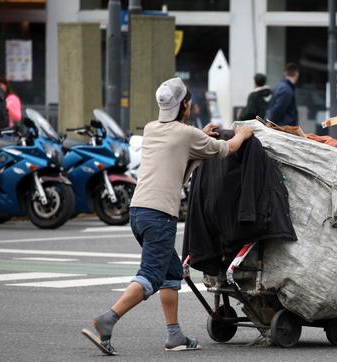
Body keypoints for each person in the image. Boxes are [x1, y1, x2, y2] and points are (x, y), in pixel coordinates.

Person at [82, 77, 254, 355]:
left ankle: (175, 335)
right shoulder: (187, 135)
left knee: (171, 272)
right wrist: (242, 134)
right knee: (150, 274)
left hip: (138, 213)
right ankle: (107, 320)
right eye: (188, 101)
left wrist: (201, 135)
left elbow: (180, 145)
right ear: (185, 105)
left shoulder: (152, 129)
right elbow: (227, 149)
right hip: (160, 214)